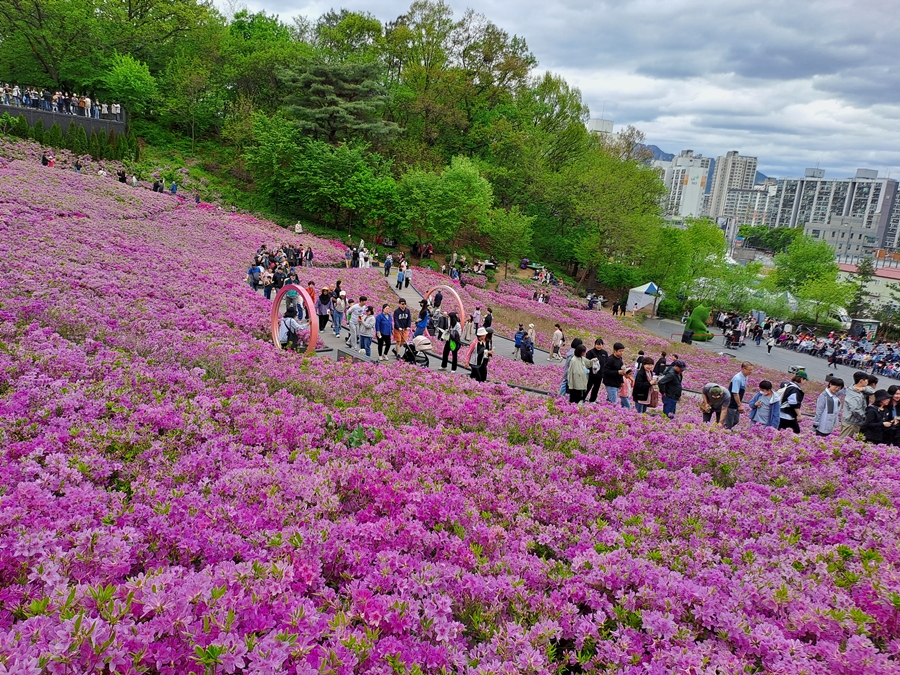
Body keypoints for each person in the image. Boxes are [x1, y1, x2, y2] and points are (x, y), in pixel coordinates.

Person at [840, 371, 870, 439]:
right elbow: (855, 410)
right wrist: (864, 417)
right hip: (851, 423)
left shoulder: (855, 389)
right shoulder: (855, 395)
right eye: (866, 381)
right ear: (861, 381)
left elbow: (871, 391)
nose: (867, 383)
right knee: (844, 441)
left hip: (851, 422)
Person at [724, 362, 753, 429]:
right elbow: (735, 393)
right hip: (731, 403)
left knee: (735, 420)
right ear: (743, 369)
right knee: (729, 423)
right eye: (749, 370)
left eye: (751, 370)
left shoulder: (745, 377)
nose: (750, 372)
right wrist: (739, 405)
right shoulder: (737, 378)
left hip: (737, 403)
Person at [585, 338, 608, 403]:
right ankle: (583, 398)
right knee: (588, 386)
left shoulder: (604, 353)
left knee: (596, 388)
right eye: (597, 345)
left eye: (600, 345)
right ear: (595, 345)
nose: (599, 346)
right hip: (591, 374)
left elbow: (606, 362)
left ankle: (592, 400)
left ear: (602, 345)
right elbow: (587, 362)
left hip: (600, 374)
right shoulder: (590, 352)